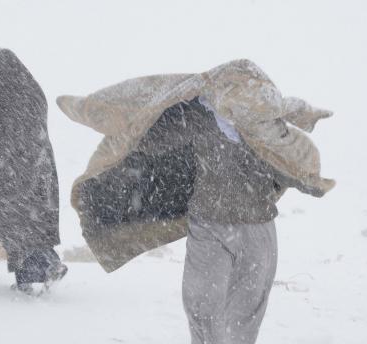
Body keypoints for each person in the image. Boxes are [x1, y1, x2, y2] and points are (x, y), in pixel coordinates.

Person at [57, 59, 334, 343]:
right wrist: (128, 128)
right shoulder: (200, 116)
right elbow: (151, 133)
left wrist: (308, 180)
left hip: (257, 228)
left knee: (247, 309)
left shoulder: (268, 130)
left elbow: (293, 163)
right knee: (201, 301)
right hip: (208, 225)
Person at [0, 49, 67, 293]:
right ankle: (31, 275)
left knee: (15, 221)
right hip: (41, 169)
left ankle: (46, 265)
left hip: (9, 169)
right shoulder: (33, 90)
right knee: (34, 219)